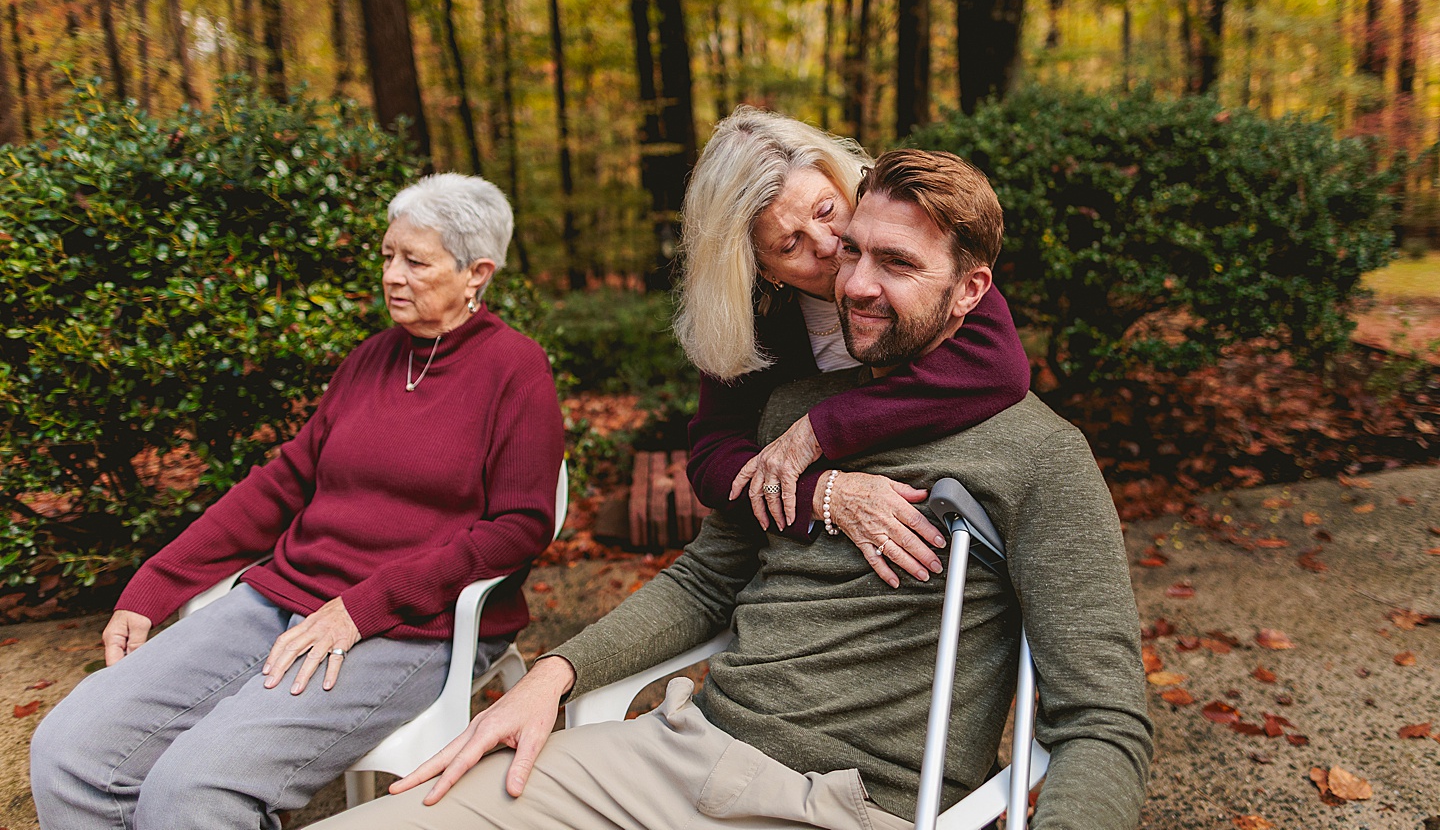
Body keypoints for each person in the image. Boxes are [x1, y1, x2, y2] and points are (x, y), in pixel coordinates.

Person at [308, 149, 1153, 830]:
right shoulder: (788, 405)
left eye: (896, 263)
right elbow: (706, 578)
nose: (856, 283)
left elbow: (1101, 723)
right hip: (673, 751)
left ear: (971, 290)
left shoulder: (1040, 456)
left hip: (841, 802)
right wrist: (555, 674)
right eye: (851, 251)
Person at [29, 174, 566, 830]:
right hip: (281, 599)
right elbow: (282, 483)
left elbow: (519, 527)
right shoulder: (370, 360)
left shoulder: (515, 369)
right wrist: (154, 585)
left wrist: (365, 606)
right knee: (68, 751)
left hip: (412, 627)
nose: (391, 276)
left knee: (193, 789)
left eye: (415, 262)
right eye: (387, 256)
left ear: (476, 273)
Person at [676, 107, 1031, 587]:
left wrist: (815, 431)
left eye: (826, 211)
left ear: (842, 183)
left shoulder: (915, 254)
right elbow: (713, 457)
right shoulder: (754, 316)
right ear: (760, 269)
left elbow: (998, 366)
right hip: (805, 560)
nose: (826, 244)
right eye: (789, 245)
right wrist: (823, 493)